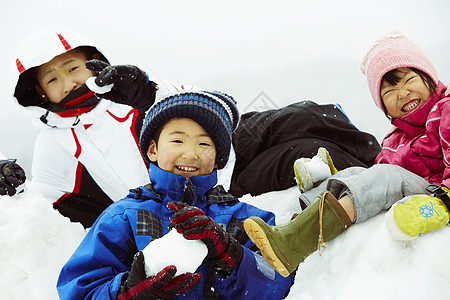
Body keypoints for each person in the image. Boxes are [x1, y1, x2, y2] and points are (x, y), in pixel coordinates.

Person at [243, 32, 450, 277]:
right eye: (389, 91)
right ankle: (294, 225)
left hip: (439, 194)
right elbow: (374, 174)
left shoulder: (445, 110)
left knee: (386, 175)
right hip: (412, 189)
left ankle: (296, 242)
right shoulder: (395, 139)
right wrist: (351, 180)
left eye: (408, 80)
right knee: (358, 173)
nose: (402, 93)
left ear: (428, 76)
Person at [56, 91, 293, 299]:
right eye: (177, 140)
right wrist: (129, 293)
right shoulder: (122, 218)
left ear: (218, 157)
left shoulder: (248, 220)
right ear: (153, 150)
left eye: (204, 144)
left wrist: (230, 254)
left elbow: (279, 283)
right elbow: (80, 290)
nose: (190, 154)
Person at [12, 28, 195, 228]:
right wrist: (12, 187)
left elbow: (206, 110)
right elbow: (42, 207)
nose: (69, 83)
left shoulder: (135, 97)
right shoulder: (52, 142)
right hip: (140, 239)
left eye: (72, 68)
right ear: (40, 91)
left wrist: (151, 93)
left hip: (206, 211)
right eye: (52, 79)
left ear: (94, 62)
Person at [229, 101, 381, 198]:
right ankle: (373, 165)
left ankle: (372, 157)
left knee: (303, 117)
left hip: (230, 141)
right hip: (226, 178)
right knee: (311, 148)